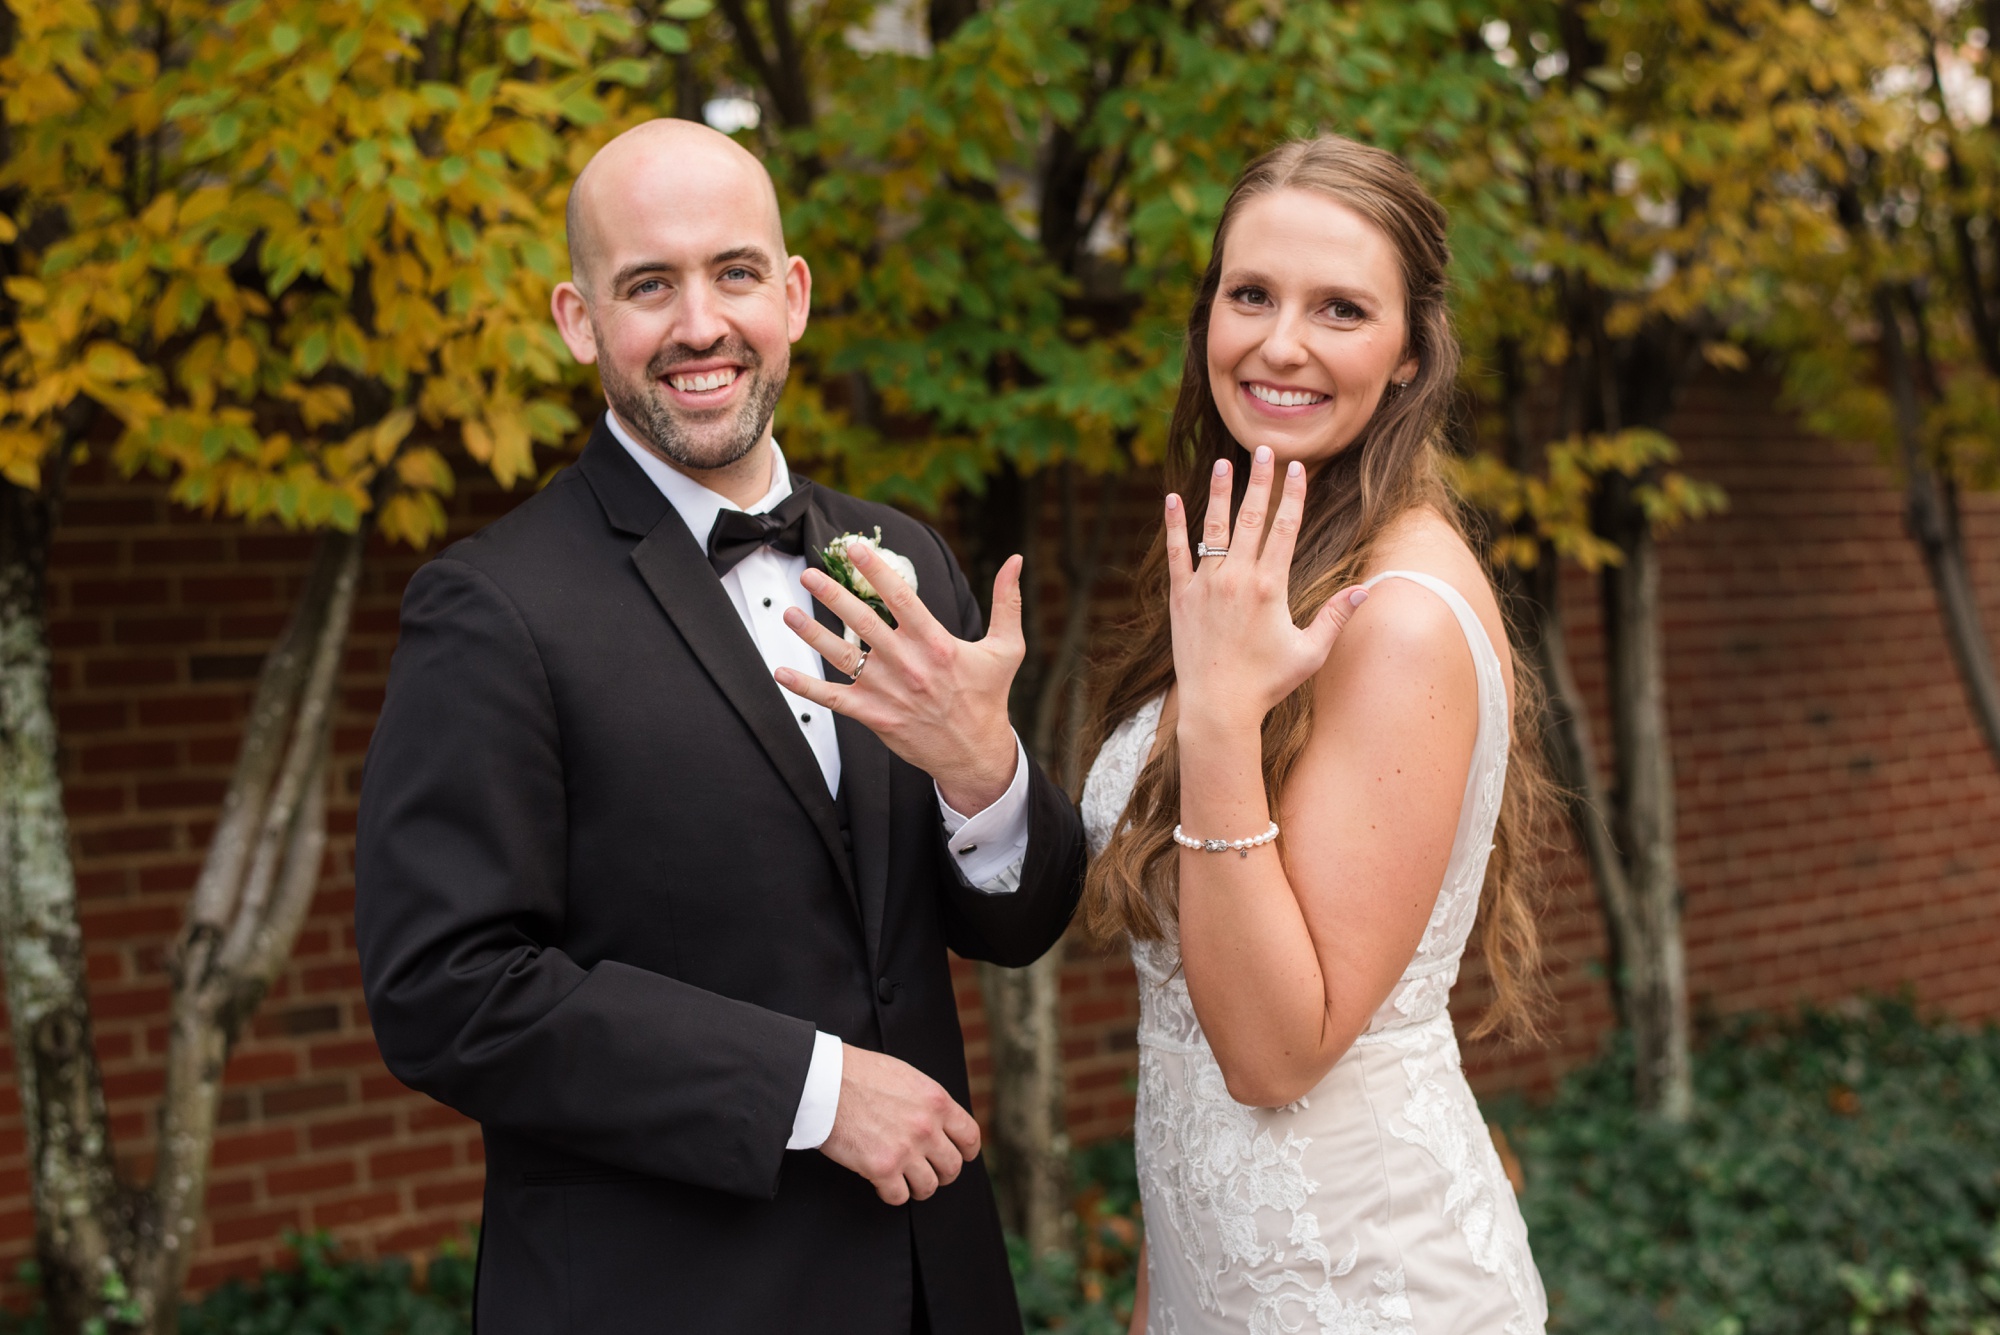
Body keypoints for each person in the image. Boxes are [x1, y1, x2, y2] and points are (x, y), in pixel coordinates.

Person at [353, 118, 1085, 1334]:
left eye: (734, 273)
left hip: (935, 1289)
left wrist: (983, 775)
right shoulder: (493, 610)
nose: (700, 324)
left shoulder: (898, 562)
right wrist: (809, 1088)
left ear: (790, 295)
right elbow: (445, 989)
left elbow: (1019, 924)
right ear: (579, 322)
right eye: (649, 285)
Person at [1077, 135, 1552, 1333]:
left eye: (1339, 308)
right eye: (1250, 295)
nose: (1279, 343)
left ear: (1407, 357)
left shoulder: (1391, 616)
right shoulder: (1264, 553)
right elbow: (1190, 1039)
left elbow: (1275, 1055)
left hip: (1362, 1287)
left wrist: (1226, 718)